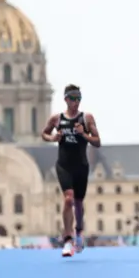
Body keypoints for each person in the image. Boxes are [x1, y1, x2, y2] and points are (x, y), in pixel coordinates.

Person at [42, 84, 101, 257]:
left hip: (81, 166)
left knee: (78, 203)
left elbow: (97, 142)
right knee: (68, 199)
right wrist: (53, 137)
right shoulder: (57, 119)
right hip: (63, 165)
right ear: (66, 99)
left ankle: (79, 232)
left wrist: (84, 134)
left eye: (79, 99)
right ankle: (67, 240)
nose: (76, 102)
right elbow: (44, 134)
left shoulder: (87, 118)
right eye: (73, 99)